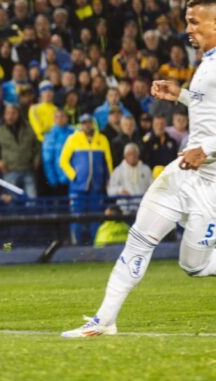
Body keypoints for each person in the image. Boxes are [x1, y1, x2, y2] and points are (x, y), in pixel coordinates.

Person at [62, 0, 216, 337]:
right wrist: (182, 96)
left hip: (211, 185)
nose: (187, 29)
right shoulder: (206, 61)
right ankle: (104, 321)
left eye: (193, 22)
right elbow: (208, 105)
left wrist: (208, 149)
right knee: (139, 239)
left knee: (195, 266)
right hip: (184, 171)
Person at [59, 113, 113, 245]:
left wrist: (108, 179)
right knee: (77, 217)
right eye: (84, 123)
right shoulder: (72, 139)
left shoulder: (102, 139)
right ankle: (78, 245)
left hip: (96, 185)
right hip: (78, 187)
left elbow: (108, 161)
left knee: (96, 217)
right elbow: (63, 161)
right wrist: (74, 176)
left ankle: (96, 243)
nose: (87, 125)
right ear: (81, 125)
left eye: (89, 122)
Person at [0, 103, 40, 198]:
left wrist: (37, 158)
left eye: (13, 113)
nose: (10, 116)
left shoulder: (28, 128)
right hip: (9, 171)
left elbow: (37, 146)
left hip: (28, 170)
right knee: (13, 203)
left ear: (19, 114)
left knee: (32, 202)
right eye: (7, 113)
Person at [107, 143, 153, 214]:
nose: (132, 156)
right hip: (124, 210)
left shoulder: (146, 169)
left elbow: (152, 188)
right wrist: (120, 190)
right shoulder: (118, 170)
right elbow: (110, 190)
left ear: (138, 155)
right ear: (125, 156)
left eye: (134, 154)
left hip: (142, 209)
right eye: (129, 154)